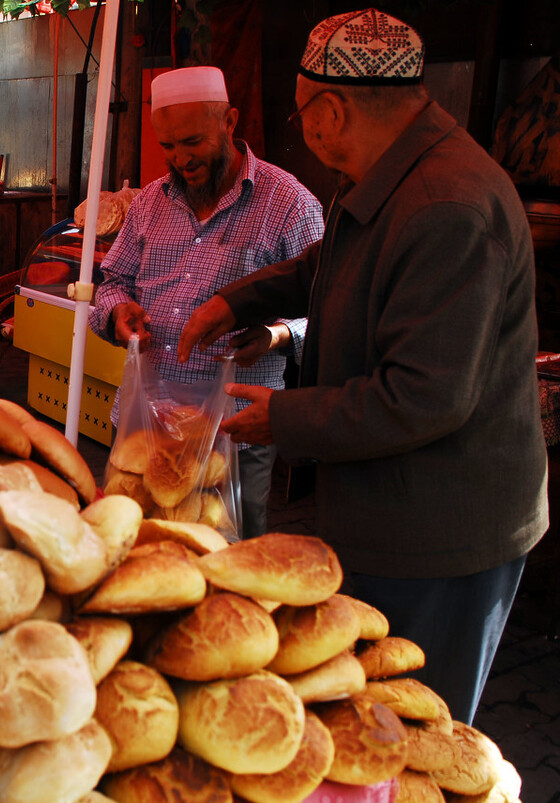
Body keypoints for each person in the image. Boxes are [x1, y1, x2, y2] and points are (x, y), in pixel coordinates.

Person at [178, 9, 548, 725]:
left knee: (408, 729)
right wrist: (234, 302)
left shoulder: (447, 205)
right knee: (370, 722)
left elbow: (423, 396)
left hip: (440, 532)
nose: (304, 133)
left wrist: (279, 417)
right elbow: (328, 262)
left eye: (301, 113)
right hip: (390, 508)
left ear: (332, 110)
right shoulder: (389, 169)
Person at [90, 66, 323, 540]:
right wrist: (117, 313)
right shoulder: (149, 203)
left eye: (193, 142)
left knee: (230, 549)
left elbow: (325, 310)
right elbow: (111, 283)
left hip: (235, 428)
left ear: (230, 122)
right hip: (145, 421)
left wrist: (276, 334)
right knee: (134, 541)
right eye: (168, 147)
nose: (180, 159)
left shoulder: (290, 205)